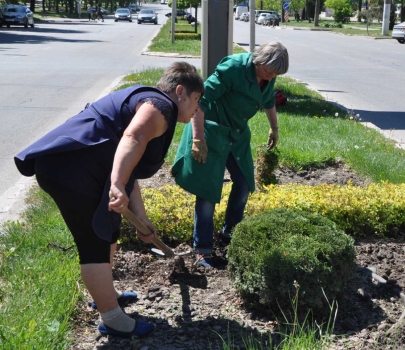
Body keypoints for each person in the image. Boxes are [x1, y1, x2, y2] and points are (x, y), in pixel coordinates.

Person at [14, 62, 204, 337]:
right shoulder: (160, 106)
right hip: (70, 170)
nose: (196, 108)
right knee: (94, 243)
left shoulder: (154, 104)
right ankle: (112, 319)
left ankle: (107, 294)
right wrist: (116, 184)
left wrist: (142, 220)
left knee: (109, 229)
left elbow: (131, 171)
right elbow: (133, 137)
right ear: (180, 92)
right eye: (196, 100)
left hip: (83, 169)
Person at [172, 41, 289, 269]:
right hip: (211, 132)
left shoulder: (268, 74)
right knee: (208, 192)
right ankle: (203, 250)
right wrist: (198, 140)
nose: (272, 75)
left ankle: (230, 235)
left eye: (276, 73)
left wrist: (274, 128)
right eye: (269, 70)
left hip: (237, 135)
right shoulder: (233, 68)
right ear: (259, 60)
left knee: (244, 182)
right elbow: (200, 102)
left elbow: (268, 101)